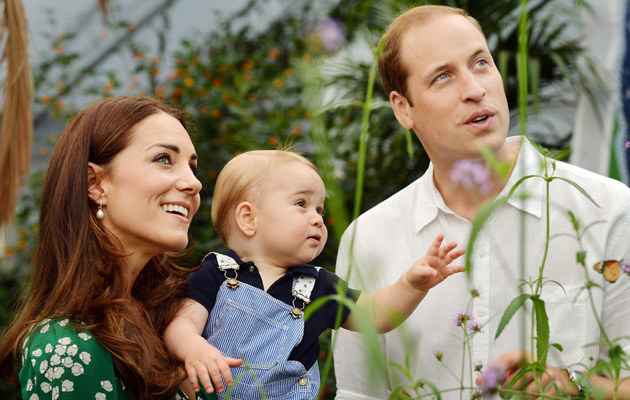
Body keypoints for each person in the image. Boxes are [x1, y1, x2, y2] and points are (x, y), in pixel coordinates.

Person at [333, 4, 630, 399]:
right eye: (443, 76)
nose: (475, 90)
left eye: (481, 63)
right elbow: (360, 394)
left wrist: (573, 386)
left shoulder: (608, 209)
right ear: (403, 108)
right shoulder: (368, 238)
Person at [163, 149, 465, 399]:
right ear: (248, 218)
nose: (318, 219)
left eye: (319, 210)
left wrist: (411, 284)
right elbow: (182, 324)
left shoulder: (317, 286)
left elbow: (376, 314)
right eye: (301, 204)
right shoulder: (216, 273)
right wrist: (194, 348)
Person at [0, 96, 204, 399]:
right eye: (163, 159)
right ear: (95, 184)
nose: (194, 183)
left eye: (192, 167)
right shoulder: (66, 348)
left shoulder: (182, 319)